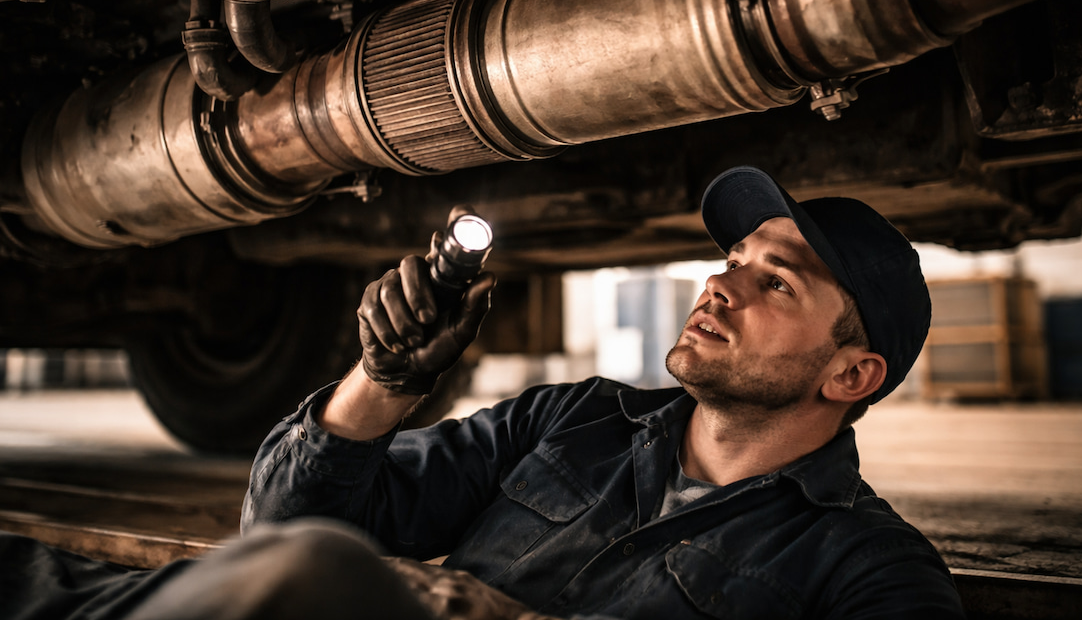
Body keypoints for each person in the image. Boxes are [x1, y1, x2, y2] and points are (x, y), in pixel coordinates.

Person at [239, 165, 967, 619]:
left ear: (850, 374)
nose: (719, 284)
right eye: (733, 260)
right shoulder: (572, 419)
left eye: (775, 282)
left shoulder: (866, 566)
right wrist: (383, 380)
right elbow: (279, 531)